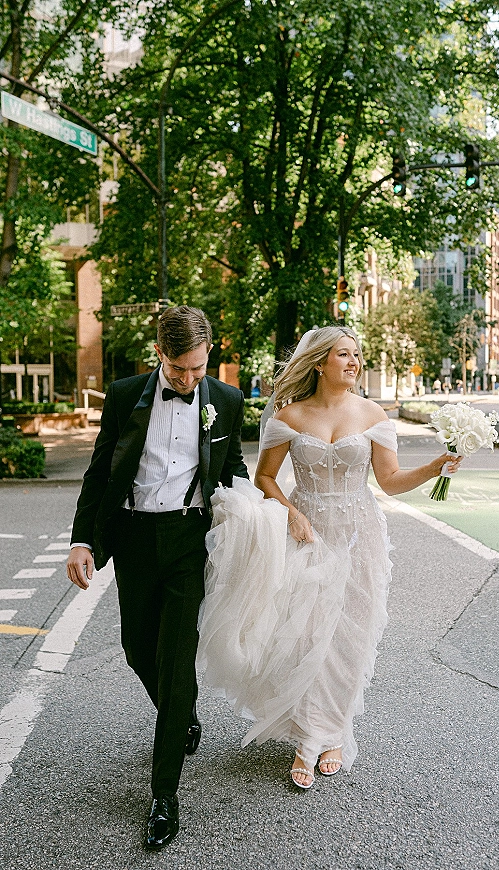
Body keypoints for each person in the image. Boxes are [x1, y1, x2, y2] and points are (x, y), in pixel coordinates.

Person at [197, 326, 461, 790]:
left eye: (358, 354)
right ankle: (307, 735)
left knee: (350, 636)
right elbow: (265, 478)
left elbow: (391, 480)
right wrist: (293, 514)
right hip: (310, 533)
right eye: (344, 354)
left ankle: (334, 729)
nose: (355, 362)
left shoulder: (374, 414)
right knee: (307, 632)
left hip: (361, 535)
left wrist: (436, 466)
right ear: (320, 363)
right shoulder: (291, 416)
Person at [66, 306, 248, 850]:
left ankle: (164, 794)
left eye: (197, 369)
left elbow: (232, 465)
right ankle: (183, 713)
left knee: (176, 656)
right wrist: (83, 541)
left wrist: (260, 517)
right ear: (159, 355)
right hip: (135, 540)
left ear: (207, 354)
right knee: (136, 649)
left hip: (190, 541)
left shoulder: (227, 401)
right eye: (178, 370)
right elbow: (102, 472)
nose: (189, 380)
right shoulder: (125, 397)